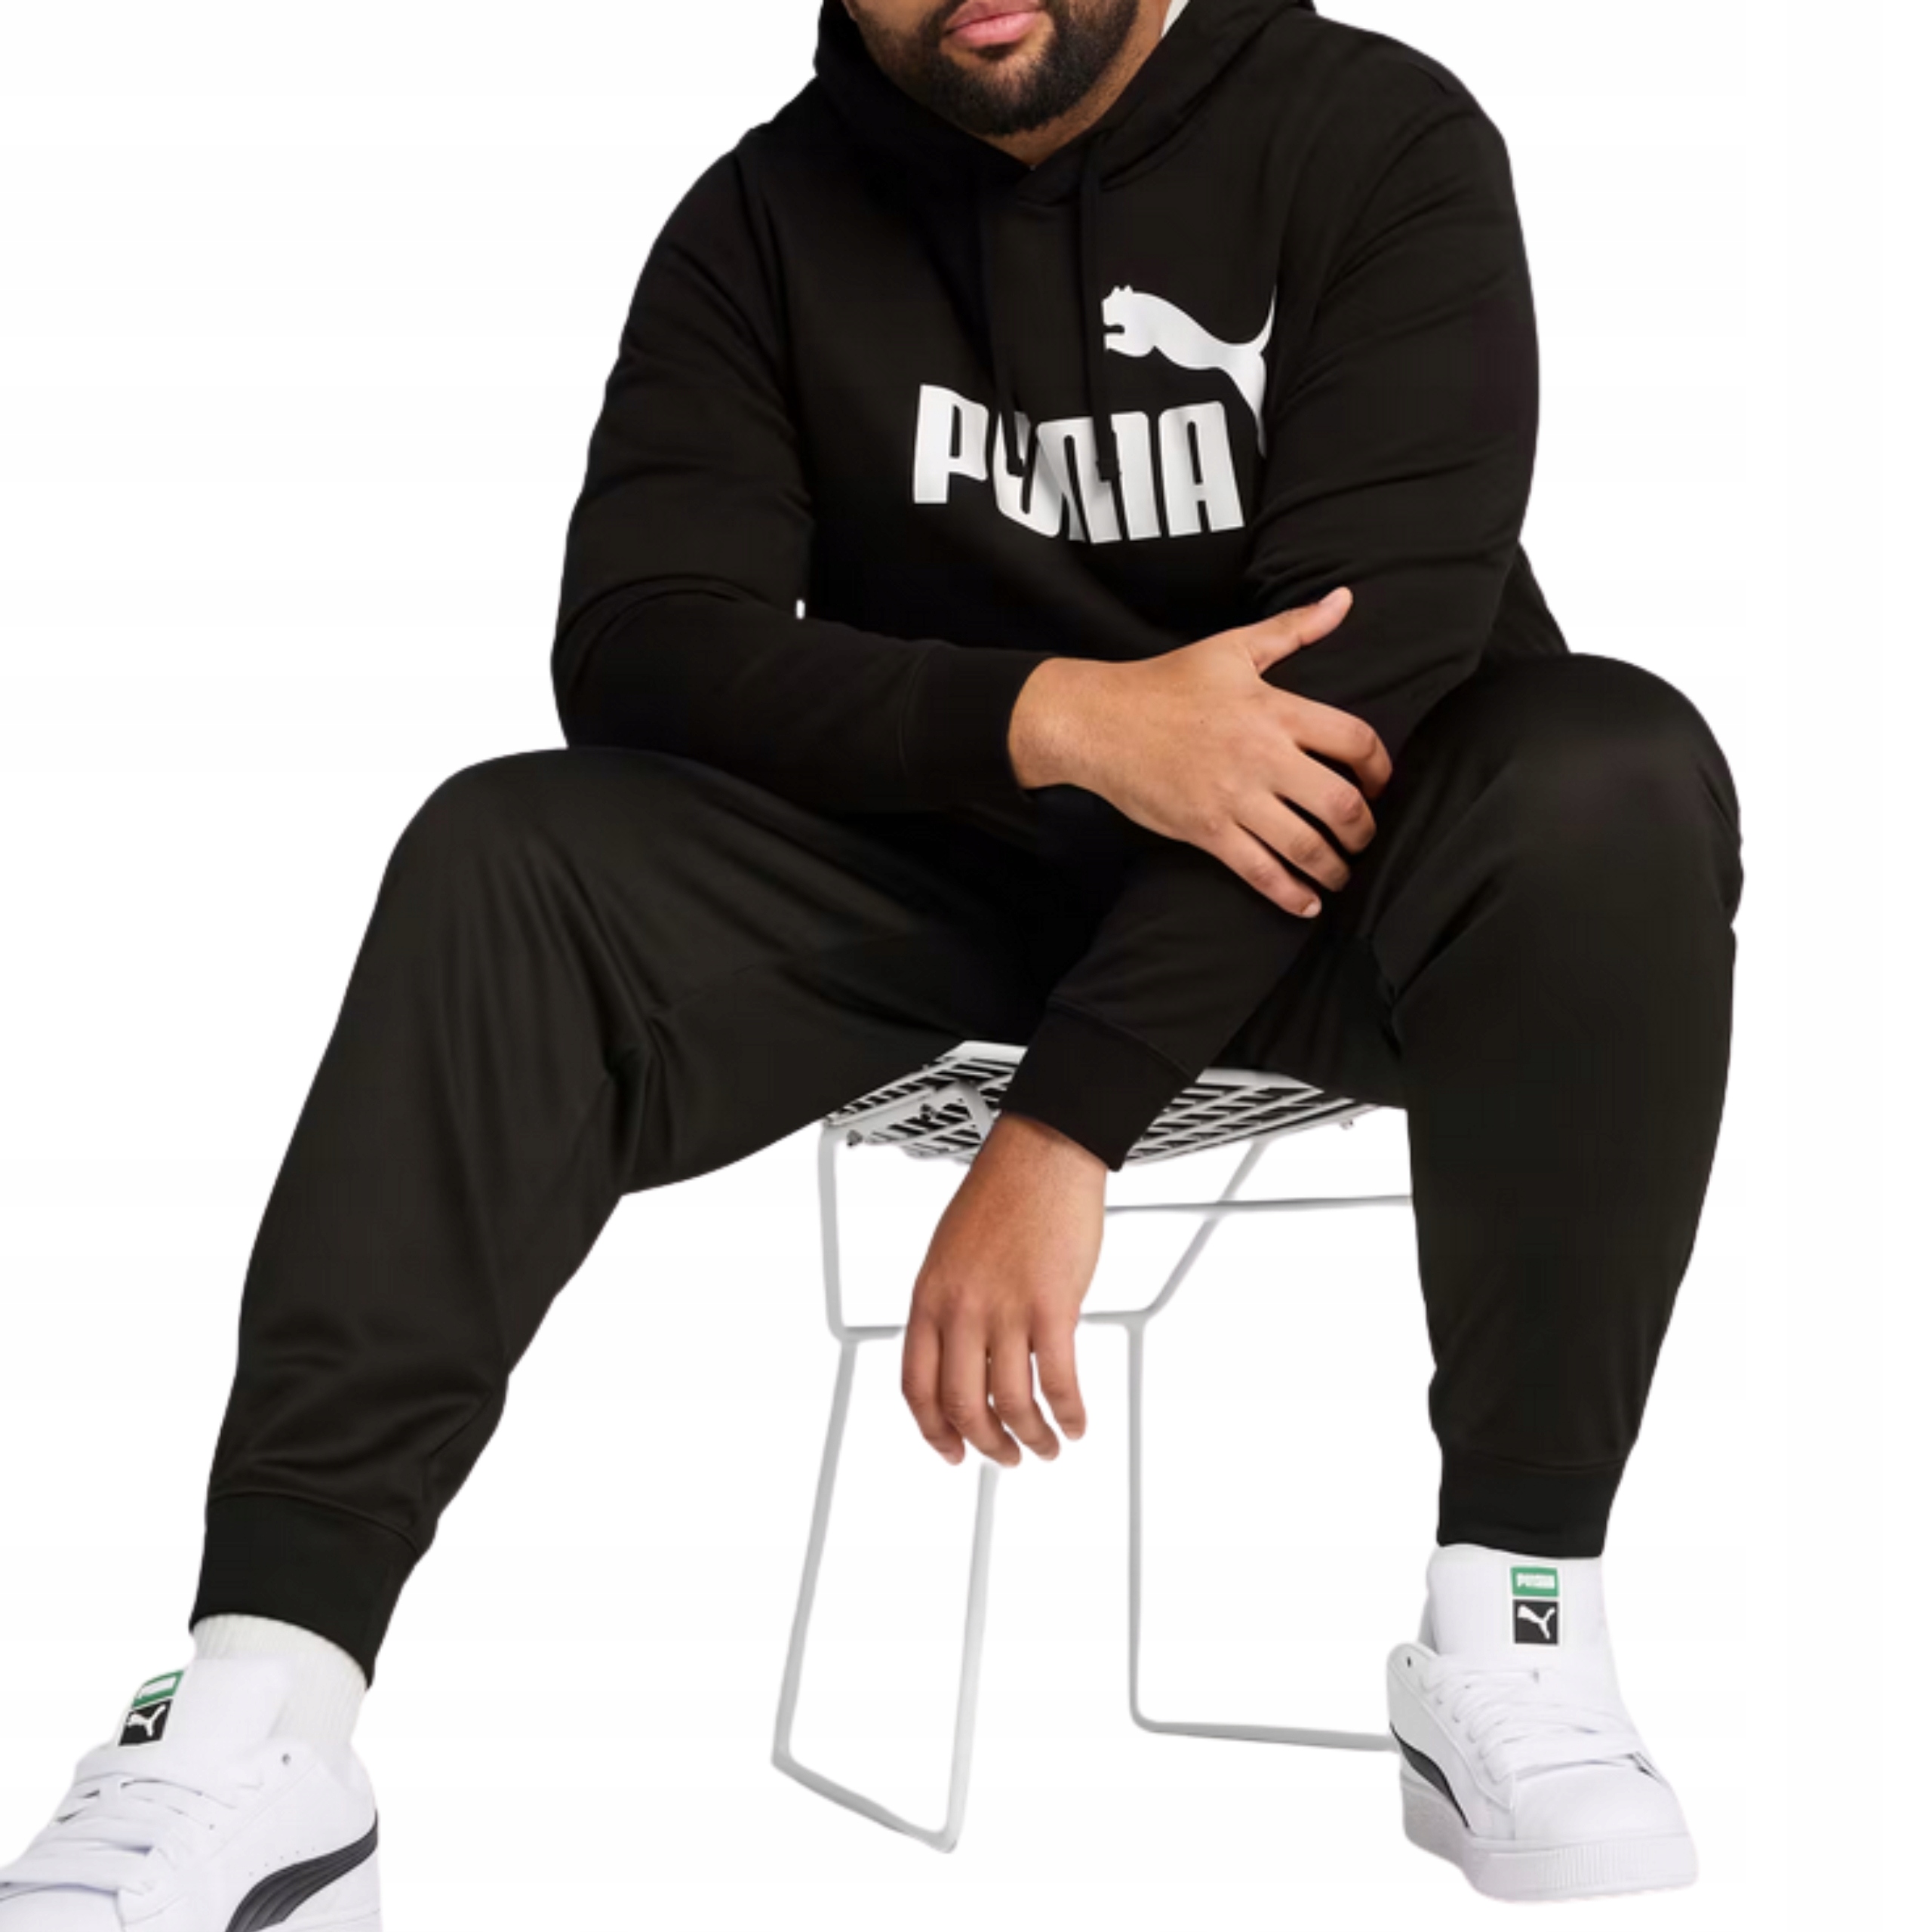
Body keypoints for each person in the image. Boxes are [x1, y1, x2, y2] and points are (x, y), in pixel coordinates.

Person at [0, 0, 1744, 1920]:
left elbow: (1356, 680)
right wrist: (1057, 718)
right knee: (505, 852)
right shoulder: (761, 219)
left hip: (1323, 897)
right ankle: (265, 1700)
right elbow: (640, 641)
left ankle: (1514, 1618)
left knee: (1606, 771)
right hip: (936, 889)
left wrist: (1060, 1124)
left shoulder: (1373, 138)